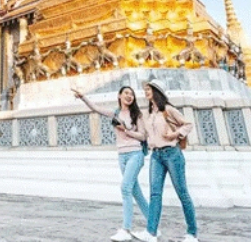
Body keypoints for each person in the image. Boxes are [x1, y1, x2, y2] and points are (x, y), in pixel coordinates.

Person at [72, 86, 149, 242]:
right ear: (119, 95)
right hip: (122, 155)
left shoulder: (137, 115)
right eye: (126, 93)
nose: (130, 96)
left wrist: (126, 130)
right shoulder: (115, 113)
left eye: (132, 94)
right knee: (136, 192)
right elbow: (96, 109)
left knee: (125, 188)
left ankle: (126, 229)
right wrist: (83, 97)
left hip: (135, 153)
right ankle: (153, 225)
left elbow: (142, 136)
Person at [132, 79, 198, 242]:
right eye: (145, 89)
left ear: (157, 91)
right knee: (155, 194)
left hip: (172, 154)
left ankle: (192, 233)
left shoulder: (168, 110)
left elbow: (188, 124)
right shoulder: (149, 114)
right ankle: (151, 232)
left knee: (182, 193)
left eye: (149, 89)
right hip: (156, 155)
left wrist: (175, 135)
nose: (146, 91)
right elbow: (146, 135)